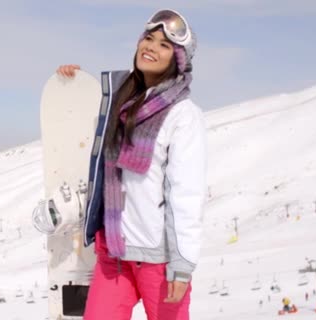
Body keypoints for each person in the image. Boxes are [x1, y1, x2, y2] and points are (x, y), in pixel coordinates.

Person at [57, 8, 206, 320]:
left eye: (164, 45)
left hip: (160, 261)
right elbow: (88, 134)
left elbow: (186, 192)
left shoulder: (183, 115)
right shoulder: (120, 100)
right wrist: (69, 84)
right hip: (115, 256)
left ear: (177, 60)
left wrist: (182, 264)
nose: (150, 47)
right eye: (148, 39)